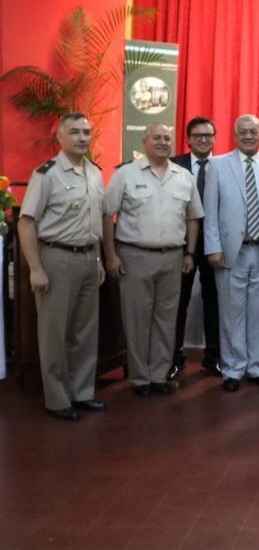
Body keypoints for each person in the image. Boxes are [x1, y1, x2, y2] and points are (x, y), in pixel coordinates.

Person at [103, 123, 203, 397]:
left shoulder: (183, 176)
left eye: (167, 138)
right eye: (156, 138)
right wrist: (110, 255)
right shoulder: (125, 174)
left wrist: (190, 253)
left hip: (172, 257)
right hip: (135, 255)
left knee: (166, 319)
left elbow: (193, 217)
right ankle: (140, 378)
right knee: (137, 319)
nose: (162, 142)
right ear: (144, 142)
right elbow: (107, 215)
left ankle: (159, 374)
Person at [18, 113, 106, 421]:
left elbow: (94, 223)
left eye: (86, 132)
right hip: (56, 259)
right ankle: (57, 400)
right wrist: (35, 268)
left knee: (84, 332)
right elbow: (27, 223)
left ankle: (82, 393)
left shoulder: (95, 173)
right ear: (60, 137)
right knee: (54, 333)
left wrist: (97, 259)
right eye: (75, 132)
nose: (82, 138)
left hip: (86, 259)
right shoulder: (47, 174)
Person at [203, 114, 259, 392]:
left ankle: (258, 367)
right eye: (243, 132)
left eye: (254, 131)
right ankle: (233, 368)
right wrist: (213, 247)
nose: (249, 136)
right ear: (235, 135)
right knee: (231, 312)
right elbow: (211, 212)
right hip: (230, 252)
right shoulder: (217, 165)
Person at [169, 116, 221, 380]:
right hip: (181, 245)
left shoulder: (224, 166)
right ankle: (174, 358)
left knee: (215, 303)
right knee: (178, 303)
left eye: (209, 136)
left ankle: (214, 357)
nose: (204, 140)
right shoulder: (172, 166)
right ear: (188, 139)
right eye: (198, 135)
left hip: (215, 245)